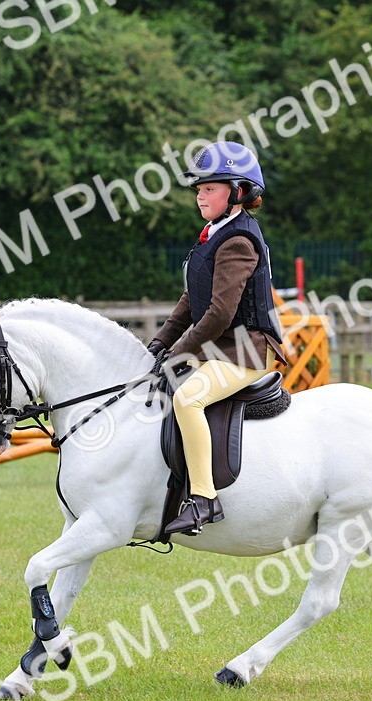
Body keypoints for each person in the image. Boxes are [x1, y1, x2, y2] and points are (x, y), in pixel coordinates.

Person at [147, 141, 287, 536]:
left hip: (246, 350)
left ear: (239, 192)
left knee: (187, 399)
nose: (200, 196)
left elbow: (220, 313)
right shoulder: (214, 234)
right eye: (199, 189)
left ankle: (204, 499)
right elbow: (192, 300)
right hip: (220, 347)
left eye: (210, 188)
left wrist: (179, 353)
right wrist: (159, 343)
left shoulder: (238, 241)